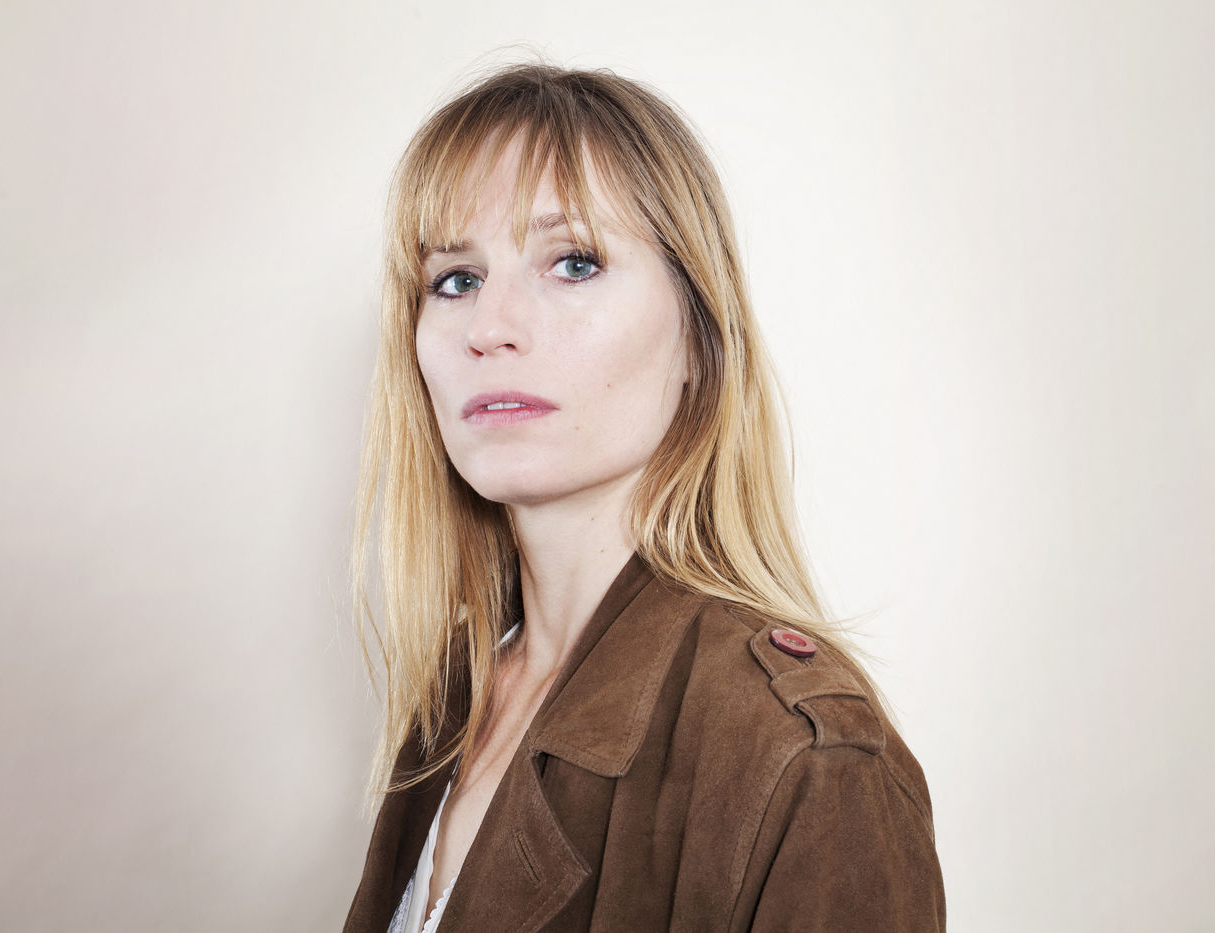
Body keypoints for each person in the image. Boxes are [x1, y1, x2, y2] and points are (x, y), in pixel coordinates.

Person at [344, 63, 945, 932]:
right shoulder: (457, 695)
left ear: (698, 336)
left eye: (574, 262)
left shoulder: (804, 758)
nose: (489, 327)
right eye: (457, 279)